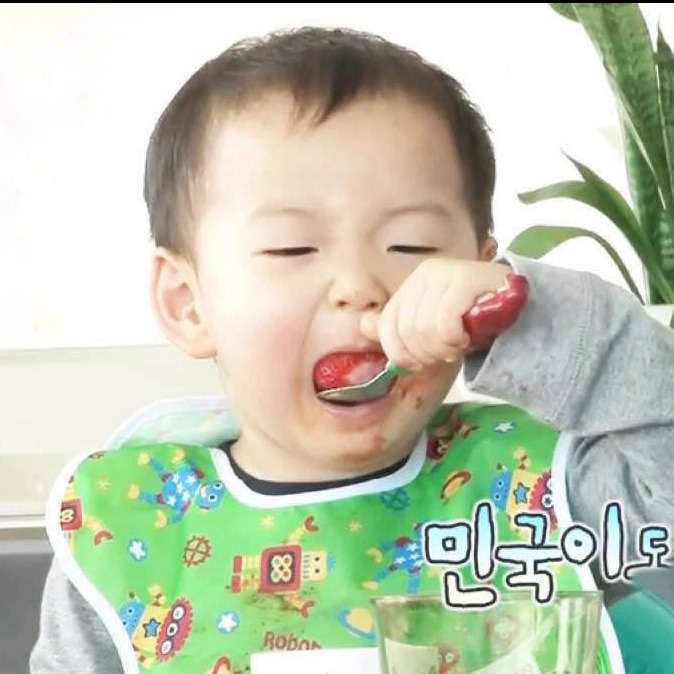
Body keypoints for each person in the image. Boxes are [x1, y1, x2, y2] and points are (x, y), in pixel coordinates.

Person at [30, 26, 674, 674]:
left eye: (411, 245)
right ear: (188, 303)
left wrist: (525, 313)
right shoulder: (131, 529)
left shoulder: (540, 493)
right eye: (292, 248)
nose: (359, 286)